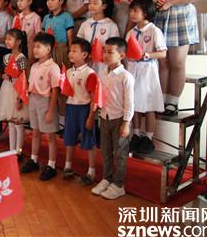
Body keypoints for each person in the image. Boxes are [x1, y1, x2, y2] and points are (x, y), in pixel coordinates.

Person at [144, 0, 203, 116]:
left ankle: (173, 102)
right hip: (159, 15)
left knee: (177, 61)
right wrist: (150, 5)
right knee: (163, 61)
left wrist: (171, 2)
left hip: (180, 15)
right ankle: (161, 99)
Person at [91, 37, 134, 200]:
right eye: (104, 51)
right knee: (106, 151)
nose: (106, 55)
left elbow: (129, 102)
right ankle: (106, 178)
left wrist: (126, 123)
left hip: (119, 119)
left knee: (120, 153)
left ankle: (118, 184)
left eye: (110, 52)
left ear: (121, 55)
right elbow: (99, 94)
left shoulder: (125, 76)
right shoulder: (103, 73)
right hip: (105, 116)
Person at [126, 0, 167, 154]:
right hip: (132, 69)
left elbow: (162, 53)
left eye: (135, 11)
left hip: (147, 70)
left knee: (149, 106)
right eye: (131, 10)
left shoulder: (154, 30)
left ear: (146, 12)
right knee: (134, 104)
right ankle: (136, 134)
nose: (132, 14)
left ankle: (148, 138)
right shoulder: (131, 32)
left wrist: (148, 55)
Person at [21, 32, 61, 181]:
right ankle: (34, 159)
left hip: (46, 101)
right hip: (34, 100)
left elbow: (55, 91)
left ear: (48, 49)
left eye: (39, 47)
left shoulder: (53, 67)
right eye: (34, 46)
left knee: (50, 136)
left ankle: (51, 165)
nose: (35, 49)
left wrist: (50, 111)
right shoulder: (34, 66)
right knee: (35, 132)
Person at [63, 38, 98, 186]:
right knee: (69, 138)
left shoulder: (90, 73)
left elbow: (94, 98)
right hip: (71, 107)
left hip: (84, 109)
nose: (70, 53)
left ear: (84, 54)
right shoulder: (68, 71)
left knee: (89, 140)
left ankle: (91, 172)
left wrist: (91, 117)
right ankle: (68, 166)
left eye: (74, 51)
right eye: (70, 51)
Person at [0, 29, 29, 160]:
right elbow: (5, 72)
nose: (7, 41)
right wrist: (4, 75)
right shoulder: (6, 57)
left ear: (18, 42)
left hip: (16, 90)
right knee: (10, 123)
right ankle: (11, 151)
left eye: (10, 39)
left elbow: (23, 78)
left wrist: (20, 98)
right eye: (6, 39)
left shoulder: (21, 58)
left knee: (18, 124)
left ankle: (18, 151)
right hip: (7, 88)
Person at [77, 0, 120, 74]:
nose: (91, 6)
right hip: (86, 61)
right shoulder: (85, 24)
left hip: (102, 63)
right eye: (90, 3)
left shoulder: (111, 25)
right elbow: (80, 42)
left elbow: (114, 45)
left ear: (104, 6)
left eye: (95, 3)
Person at [42, 0, 74, 68]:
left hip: (61, 48)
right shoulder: (46, 17)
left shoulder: (67, 16)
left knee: (61, 68)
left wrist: (70, 50)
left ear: (61, 1)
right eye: (47, 0)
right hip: (47, 49)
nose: (49, 2)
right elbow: (43, 34)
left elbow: (70, 36)